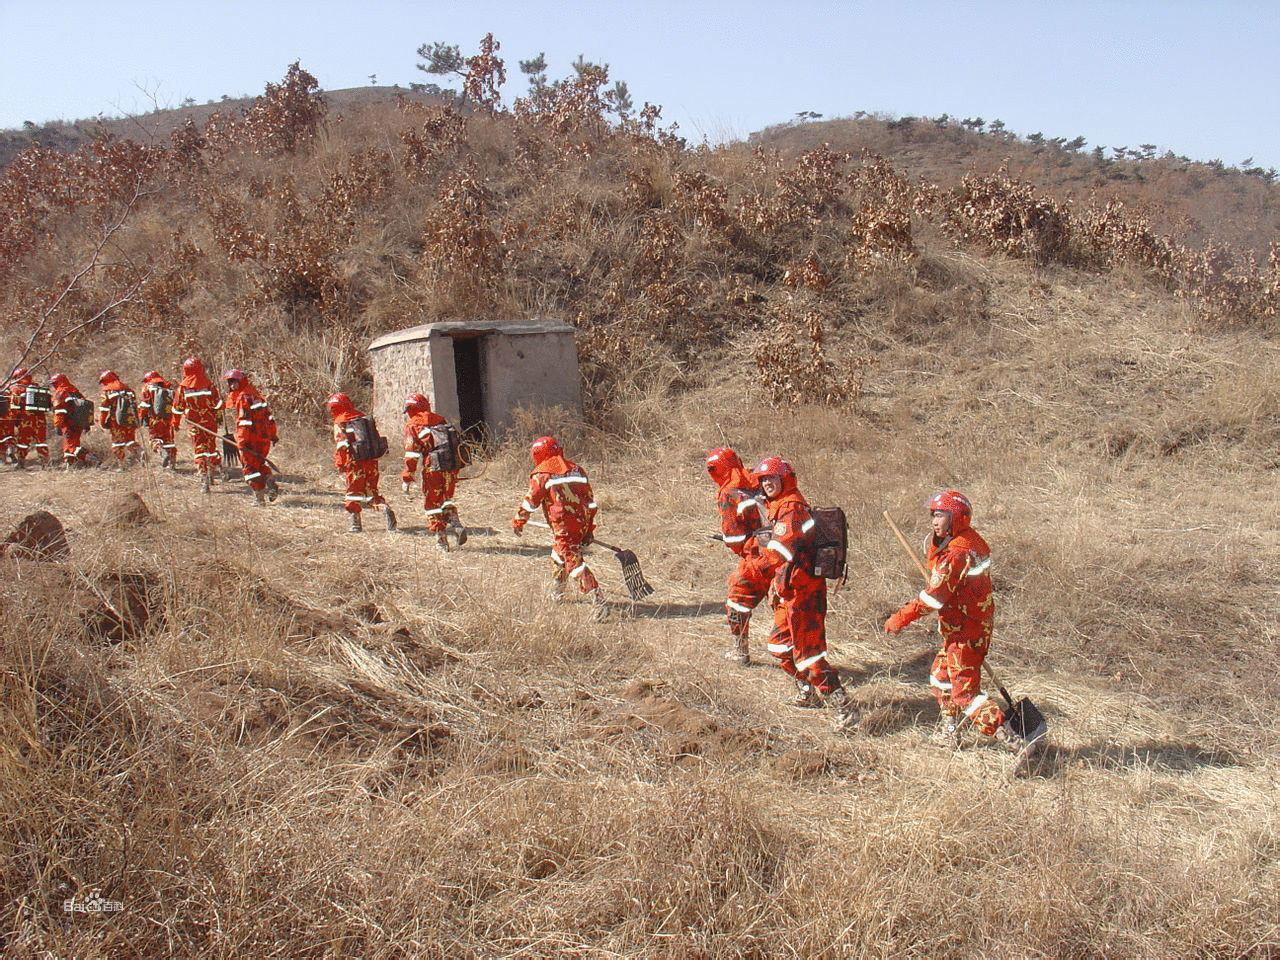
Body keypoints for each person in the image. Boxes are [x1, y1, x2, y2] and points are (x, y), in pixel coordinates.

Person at [884, 490, 1037, 761]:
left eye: (940, 515)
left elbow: (933, 597)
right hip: (965, 627)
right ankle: (949, 732)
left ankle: (1014, 740)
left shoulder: (957, 552)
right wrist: (936, 543)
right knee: (940, 677)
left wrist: (900, 619)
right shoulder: (970, 540)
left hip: (966, 631)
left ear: (957, 517)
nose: (934, 520)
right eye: (932, 514)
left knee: (965, 693)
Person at [752, 455, 857, 731]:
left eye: (772, 479)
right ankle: (807, 692)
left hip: (804, 593)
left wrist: (753, 569)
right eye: (763, 480)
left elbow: (780, 551)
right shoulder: (776, 506)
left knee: (809, 655)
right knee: (778, 645)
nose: (767, 484)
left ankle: (845, 709)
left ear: (785, 479)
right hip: (789, 591)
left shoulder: (792, 509)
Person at [511, 435, 607, 620]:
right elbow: (591, 503)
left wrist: (518, 521)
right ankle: (557, 592)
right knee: (558, 554)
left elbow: (531, 502)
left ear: (538, 454)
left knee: (573, 562)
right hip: (582, 520)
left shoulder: (542, 474)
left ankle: (598, 599)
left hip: (564, 524)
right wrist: (588, 529)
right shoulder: (578, 470)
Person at [706, 447, 770, 666]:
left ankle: (740, 651)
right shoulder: (755, 481)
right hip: (784, 550)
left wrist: (734, 542)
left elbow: (734, 539)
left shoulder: (728, 493)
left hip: (759, 557)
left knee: (737, 599)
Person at [400, 392, 466, 552]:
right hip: (451, 467)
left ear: (410, 408)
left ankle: (441, 541)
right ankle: (455, 523)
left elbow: (412, 454)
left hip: (433, 467)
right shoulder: (439, 419)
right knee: (446, 498)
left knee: (432, 503)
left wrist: (407, 476)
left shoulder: (413, 425)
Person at [327, 392, 395, 533]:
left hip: (354, 463)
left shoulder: (340, 421)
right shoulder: (363, 417)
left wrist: (340, 464)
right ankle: (385, 509)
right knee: (372, 490)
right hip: (371, 461)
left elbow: (342, 446)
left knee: (353, 492)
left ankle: (355, 523)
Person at [224, 369, 280, 506]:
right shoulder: (257, 396)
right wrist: (273, 435)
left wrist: (241, 443)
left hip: (250, 440)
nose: (232, 386)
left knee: (250, 469)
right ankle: (269, 478)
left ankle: (259, 499)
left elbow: (244, 423)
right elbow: (269, 418)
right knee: (259, 464)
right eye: (230, 383)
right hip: (264, 439)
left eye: (235, 382)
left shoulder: (243, 399)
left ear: (241, 382)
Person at [172, 355, 223, 493]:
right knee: (211, 448)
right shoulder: (209, 384)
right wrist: (219, 418)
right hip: (210, 423)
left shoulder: (182, 388)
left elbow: (177, 408)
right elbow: (218, 404)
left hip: (194, 425)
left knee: (199, 450)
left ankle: (204, 479)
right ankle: (212, 473)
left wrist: (175, 423)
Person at [7, 368, 51, 469]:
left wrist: (13, 421)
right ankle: (45, 463)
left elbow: (14, 408)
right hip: (40, 421)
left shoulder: (17, 389)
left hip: (25, 420)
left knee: (23, 442)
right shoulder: (36, 387)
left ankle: (21, 462)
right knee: (41, 441)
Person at [97, 370, 141, 468]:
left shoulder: (108, 391)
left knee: (117, 443)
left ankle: (122, 465)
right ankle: (140, 452)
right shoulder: (128, 389)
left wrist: (102, 422)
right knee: (130, 440)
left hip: (116, 421)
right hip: (130, 419)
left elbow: (104, 409)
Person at [139, 370, 179, 468]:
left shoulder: (148, 387)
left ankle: (162, 452)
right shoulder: (168, 386)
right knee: (169, 441)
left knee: (154, 439)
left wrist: (140, 416)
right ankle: (172, 464)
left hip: (155, 419)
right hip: (169, 419)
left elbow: (145, 405)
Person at [50, 372, 91, 468]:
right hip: (79, 422)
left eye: (54, 383)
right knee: (72, 442)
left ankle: (89, 457)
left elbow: (59, 410)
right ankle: (72, 464)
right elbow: (85, 407)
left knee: (70, 444)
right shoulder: (76, 391)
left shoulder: (60, 393)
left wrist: (57, 425)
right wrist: (86, 424)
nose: (53, 386)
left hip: (67, 423)